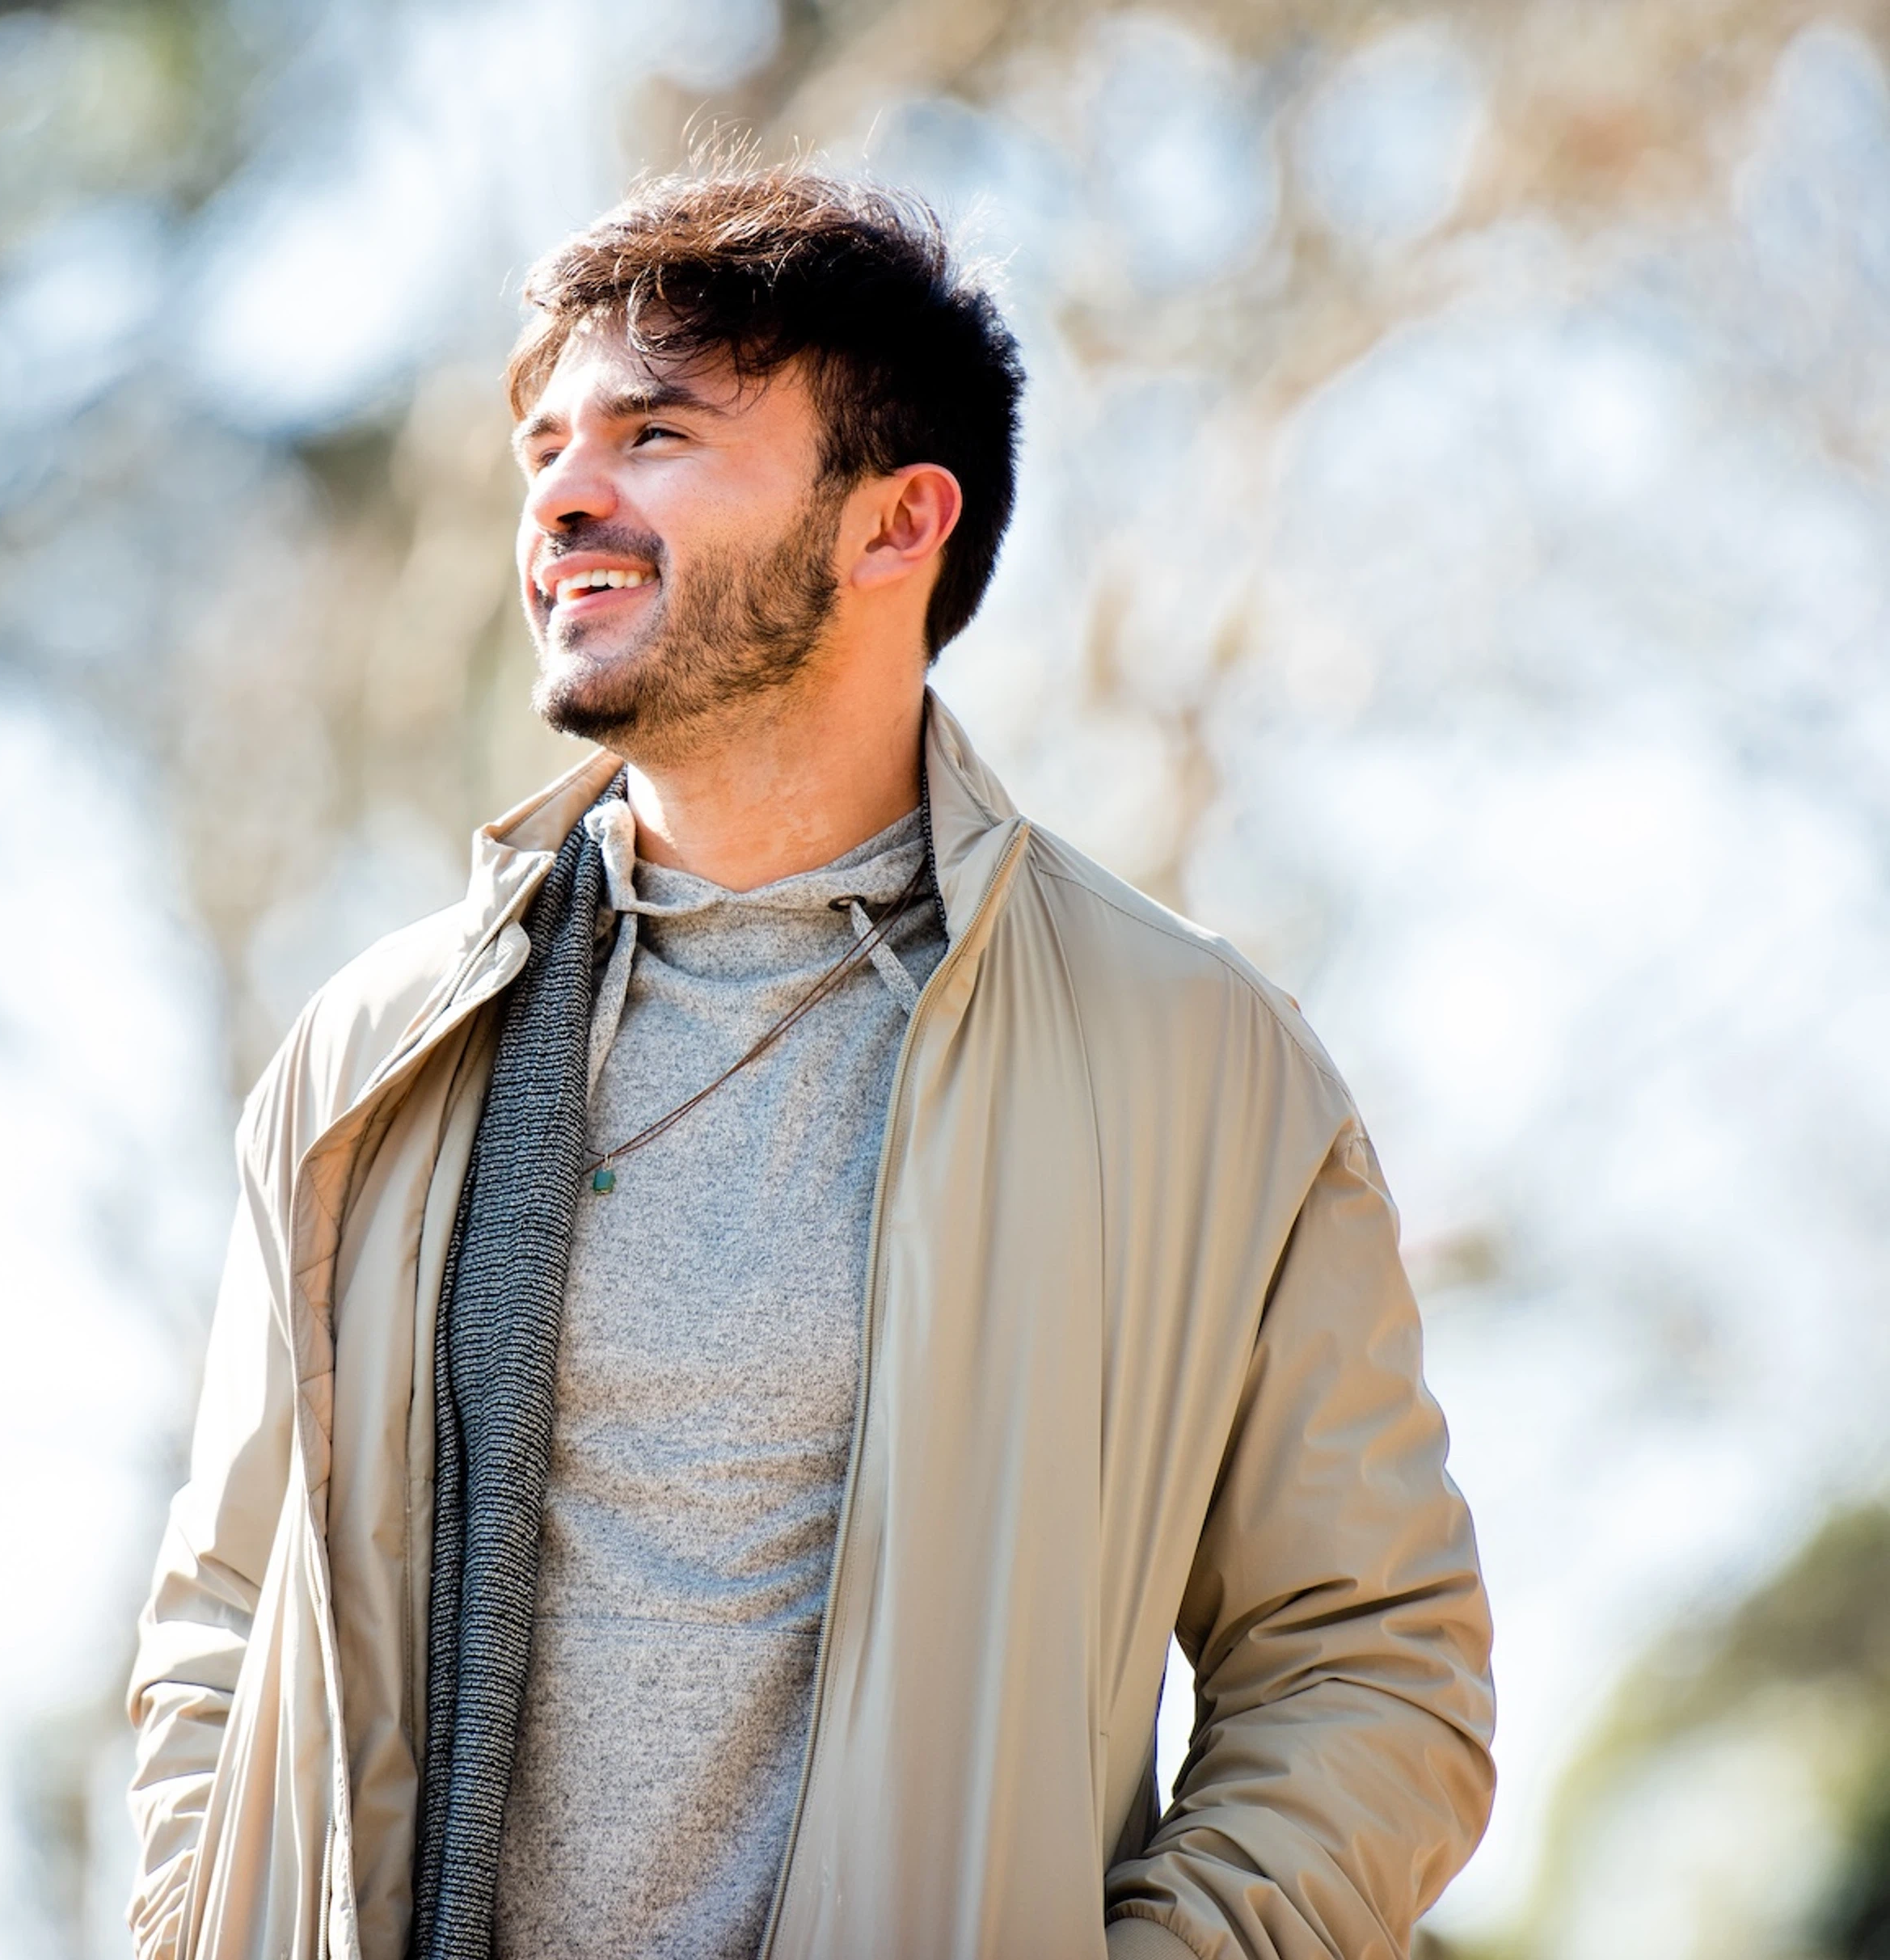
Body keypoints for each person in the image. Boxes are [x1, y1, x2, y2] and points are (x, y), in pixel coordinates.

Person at [126, 163, 1494, 1960]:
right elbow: (229, 1615)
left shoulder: (1198, 1070)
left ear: (892, 525)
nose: (563, 496)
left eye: (658, 433)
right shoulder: (371, 1059)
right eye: (545, 442)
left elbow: (1372, 1674)